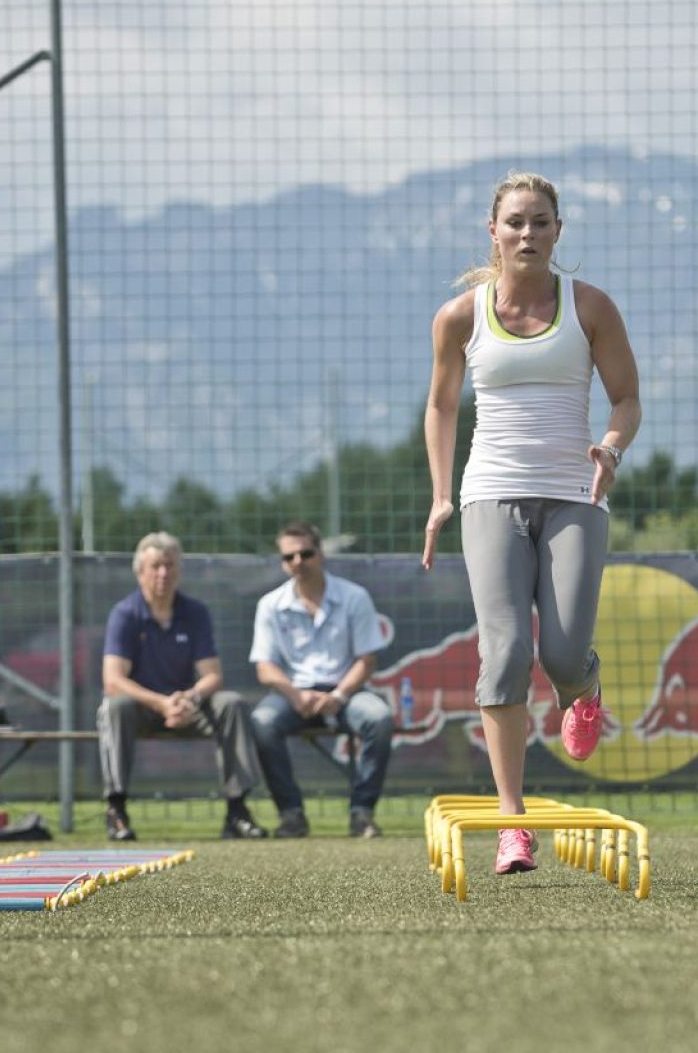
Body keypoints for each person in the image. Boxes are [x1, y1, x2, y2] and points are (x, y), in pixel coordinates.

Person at [420, 171, 641, 877]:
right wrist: (440, 495)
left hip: (576, 496)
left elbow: (627, 399)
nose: (527, 233)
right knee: (507, 650)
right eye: (515, 222)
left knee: (564, 655)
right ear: (494, 232)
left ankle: (586, 688)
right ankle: (512, 824)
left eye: (541, 222)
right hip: (489, 495)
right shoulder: (460, 317)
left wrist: (610, 448)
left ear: (558, 231)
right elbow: (443, 407)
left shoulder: (593, 308)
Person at [98, 531, 268, 841]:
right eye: (156, 566)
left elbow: (212, 675)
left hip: (189, 706)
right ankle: (116, 809)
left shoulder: (195, 612)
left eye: (170, 565)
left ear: (179, 570)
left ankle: (237, 809)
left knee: (231, 703)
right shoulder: (125, 615)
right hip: (143, 709)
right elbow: (113, 680)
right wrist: (161, 704)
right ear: (140, 572)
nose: (163, 573)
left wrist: (189, 698)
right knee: (115, 706)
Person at [247, 522, 396, 839]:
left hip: (347, 694)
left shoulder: (355, 597)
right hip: (293, 695)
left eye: (306, 553)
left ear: (321, 553)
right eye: (289, 557)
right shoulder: (269, 605)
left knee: (379, 718)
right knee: (262, 721)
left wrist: (338, 696)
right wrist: (294, 695)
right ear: (282, 562)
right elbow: (265, 667)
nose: (298, 562)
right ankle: (292, 815)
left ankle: (362, 813)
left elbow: (367, 660)